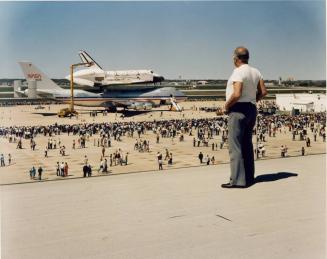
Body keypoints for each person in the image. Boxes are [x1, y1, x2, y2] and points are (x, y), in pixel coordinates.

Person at [221, 47, 267, 188]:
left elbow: (237, 93)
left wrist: (226, 106)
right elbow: (264, 92)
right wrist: (253, 100)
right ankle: (248, 177)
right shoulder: (256, 71)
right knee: (247, 144)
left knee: (235, 146)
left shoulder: (238, 71)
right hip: (251, 109)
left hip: (238, 110)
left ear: (236, 58)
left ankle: (237, 181)